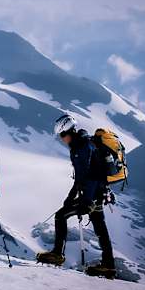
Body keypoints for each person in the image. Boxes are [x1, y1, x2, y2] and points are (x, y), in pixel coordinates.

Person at [36, 114, 116, 279]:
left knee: (60, 216)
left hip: (92, 196)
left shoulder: (83, 147)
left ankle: (58, 254)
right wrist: (70, 197)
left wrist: (86, 201)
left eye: (62, 135)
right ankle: (109, 265)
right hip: (97, 194)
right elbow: (80, 179)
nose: (62, 139)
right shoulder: (80, 146)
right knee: (100, 228)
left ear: (69, 132)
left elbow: (91, 176)